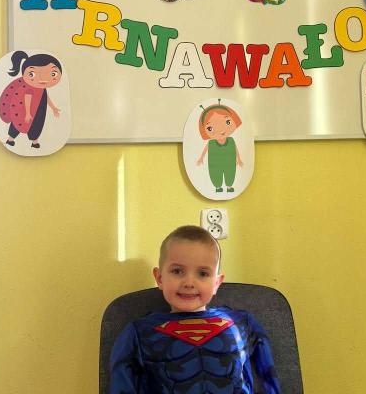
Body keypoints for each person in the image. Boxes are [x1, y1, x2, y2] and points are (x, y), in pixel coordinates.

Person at [110, 225, 281, 393]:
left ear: (216, 283)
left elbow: (268, 376)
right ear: (160, 278)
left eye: (203, 273)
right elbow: (121, 384)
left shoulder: (242, 323)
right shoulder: (138, 332)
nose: (189, 283)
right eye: (177, 271)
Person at [0, 51, 62, 149]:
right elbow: (27, 98)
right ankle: (10, 139)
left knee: (37, 124)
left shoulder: (42, 88)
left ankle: (34, 142)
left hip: (39, 109)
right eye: (32, 74)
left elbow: (46, 97)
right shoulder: (29, 88)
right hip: (25, 109)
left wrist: (53, 108)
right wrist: (27, 113)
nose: (43, 78)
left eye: (53, 73)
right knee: (18, 121)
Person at [196, 101, 243, 193]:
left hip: (229, 162)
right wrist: (201, 158)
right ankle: (218, 187)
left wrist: (239, 159)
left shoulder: (231, 140)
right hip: (215, 163)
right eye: (210, 128)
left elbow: (235, 149)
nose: (221, 130)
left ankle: (229, 187)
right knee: (215, 173)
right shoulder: (211, 143)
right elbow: (206, 149)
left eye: (228, 122)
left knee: (230, 173)